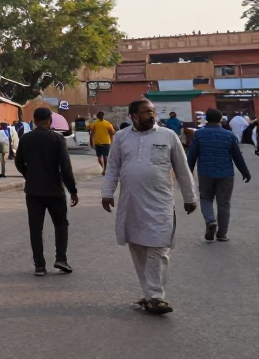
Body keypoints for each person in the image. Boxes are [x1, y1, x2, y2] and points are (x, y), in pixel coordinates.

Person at [100, 99, 197, 316]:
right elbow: (113, 166)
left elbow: (182, 168)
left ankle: (156, 295)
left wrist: (190, 196)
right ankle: (150, 294)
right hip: (131, 203)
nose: (150, 116)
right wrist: (107, 193)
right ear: (133, 116)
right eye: (145, 112)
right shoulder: (122, 138)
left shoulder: (168, 136)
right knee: (138, 248)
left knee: (159, 247)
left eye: (152, 112)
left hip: (160, 203)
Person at [15, 106, 79, 276]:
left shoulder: (26, 138)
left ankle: (39, 265)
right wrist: (72, 189)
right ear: (50, 120)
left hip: (33, 190)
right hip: (54, 190)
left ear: (34, 120)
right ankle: (61, 259)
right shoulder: (57, 139)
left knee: (35, 228)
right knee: (61, 224)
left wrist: (29, 175)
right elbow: (65, 167)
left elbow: (19, 162)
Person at [187, 108, 250, 242]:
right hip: (226, 173)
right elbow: (237, 156)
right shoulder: (229, 135)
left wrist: (187, 172)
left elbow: (192, 155)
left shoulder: (199, 135)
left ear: (206, 119)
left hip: (206, 173)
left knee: (206, 199)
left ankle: (210, 221)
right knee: (224, 203)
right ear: (221, 119)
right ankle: (222, 234)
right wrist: (245, 172)